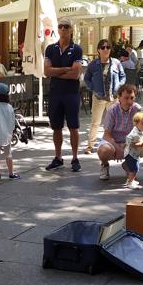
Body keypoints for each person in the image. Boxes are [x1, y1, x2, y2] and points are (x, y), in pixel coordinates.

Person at [43, 17, 83, 172]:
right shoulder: (50, 49)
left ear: (71, 29)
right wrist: (66, 69)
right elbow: (46, 71)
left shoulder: (77, 49)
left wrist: (56, 71)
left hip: (71, 93)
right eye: (61, 26)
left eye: (66, 26)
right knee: (56, 127)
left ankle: (75, 158)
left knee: (73, 127)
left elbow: (75, 75)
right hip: (55, 94)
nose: (63, 29)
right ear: (58, 29)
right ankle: (58, 157)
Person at [97, 84, 143, 181]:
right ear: (119, 97)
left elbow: (138, 130)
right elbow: (106, 135)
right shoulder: (112, 110)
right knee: (104, 151)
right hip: (112, 142)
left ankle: (128, 164)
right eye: (126, 98)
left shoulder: (137, 109)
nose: (129, 101)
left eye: (132, 98)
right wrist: (118, 148)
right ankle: (104, 165)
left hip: (128, 141)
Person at [83, 39, 126, 154]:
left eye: (108, 47)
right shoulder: (93, 64)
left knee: (115, 122)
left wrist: (119, 87)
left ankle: (116, 144)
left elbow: (123, 76)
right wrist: (93, 88)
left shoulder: (116, 63)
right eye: (103, 47)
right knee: (95, 122)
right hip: (98, 97)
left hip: (113, 98)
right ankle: (90, 146)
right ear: (98, 50)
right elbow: (86, 78)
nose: (106, 49)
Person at [123, 111, 143, 189]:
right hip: (131, 154)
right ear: (136, 123)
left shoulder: (137, 131)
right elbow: (133, 144)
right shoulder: (135, 134)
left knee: (135, 167)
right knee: (134, 169)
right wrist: (142, 144)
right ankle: (130, 182)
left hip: (134, 154)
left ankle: (131, 180)